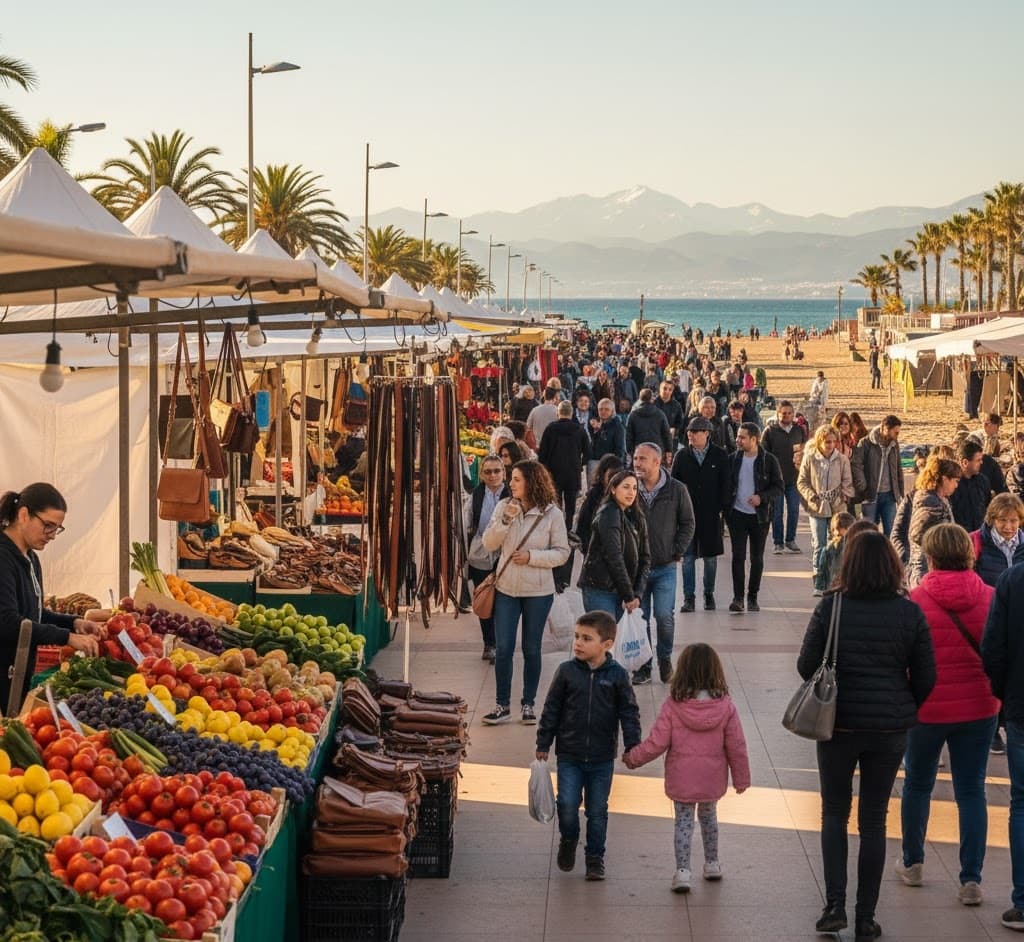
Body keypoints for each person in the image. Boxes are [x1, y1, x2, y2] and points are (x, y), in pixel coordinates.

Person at [798, 529, 936, 942]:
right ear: (891, 567)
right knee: (874, 819)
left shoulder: (831, 607)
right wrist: (902, 701)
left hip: (837, 724)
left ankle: (834, 905)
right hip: (889, 729)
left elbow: (806, 665)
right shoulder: (909, 612)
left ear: (850, 564)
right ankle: (866, 917)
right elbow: (927, 676)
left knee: (834, 812)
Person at [898, 523, 999, 906]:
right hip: (979, 707)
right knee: (971, 790)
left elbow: (905, 660)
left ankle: (913, 862)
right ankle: (971, 878)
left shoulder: (916, 600)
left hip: (926, 709)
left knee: (918, 784)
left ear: (931, 557)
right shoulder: (991, 597)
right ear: (969, 555)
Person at [623, 643, 750, 893]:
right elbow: (737, 745)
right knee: (709, 818)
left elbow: (657, 742)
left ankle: (683, 871)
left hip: (682, 777)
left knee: (683, 822)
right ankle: (712, 863)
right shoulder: (725, 707)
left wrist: (633, 758)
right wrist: (741, 779)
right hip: (711, 777)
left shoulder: (674, 706)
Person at [535, 609, 642, 882]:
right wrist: (544, 741)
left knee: (597, 810)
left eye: (586, 638)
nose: (578, 643)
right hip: (569, 754)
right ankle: (569, 838)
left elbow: (629, 712)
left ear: (607, 644)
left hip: (601, 757)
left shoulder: (618, 676)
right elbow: (551, 708)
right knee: (567, 803)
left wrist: (633, 745)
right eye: (576, 637)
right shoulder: (566, 672)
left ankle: (595, 857)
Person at [481, 461, 570, 726]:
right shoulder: (503, 507)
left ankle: (528, 704)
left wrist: (532, 557)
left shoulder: (552, 514)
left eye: (517, 479)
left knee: (532, 649)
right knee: (504, 648)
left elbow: (562, 553)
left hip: (538, 592)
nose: (511, 483)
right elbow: (488, 543)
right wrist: (505, 521)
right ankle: (502, 705)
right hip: (506, 589)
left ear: (532, 481)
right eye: (512, 479)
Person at [0, 484, 101, 710]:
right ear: (23, 515)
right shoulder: (3, 558)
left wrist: (74, 623)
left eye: (57, 529)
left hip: (18, 671)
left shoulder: (30, 557)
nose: (53, 536)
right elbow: (7, 622)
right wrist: (65, 637)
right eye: (48, 526)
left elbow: (34, 613)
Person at [982, 541, 1024, 930]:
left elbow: (993, 647)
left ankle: (1022, 902)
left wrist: (1004, 696)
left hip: (1020, 706)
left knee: (1022, 802)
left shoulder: (1012, 580)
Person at [631, 443, 695, 686]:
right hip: (637, 568)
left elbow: (688, 523)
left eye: (642, 459)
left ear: (657, 462)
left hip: (664, 566)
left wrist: (677, 550)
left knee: (664, 616)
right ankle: (644, 665)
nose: (637, 463)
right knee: (641, 617)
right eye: (636, 458)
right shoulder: (629, 488)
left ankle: (665, 658)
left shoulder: (676, 489)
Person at [671, 416, 731, 613]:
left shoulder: (719, 455)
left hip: (710, 514)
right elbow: (674, 484)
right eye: (689, 431)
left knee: (710, 558)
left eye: (696, 431)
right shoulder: (682, 456)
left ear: (707, 433)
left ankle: (708, 594)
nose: (691, 435)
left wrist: (721, 508)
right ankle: (689, 598)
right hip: (686, 516)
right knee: (688, 558)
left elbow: (726, 484)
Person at [577, 470, 649, 624]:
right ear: (613, 489)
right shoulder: (609, 514)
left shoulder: (637, 517)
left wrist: (637, 593)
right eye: (626, 487)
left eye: (634, 488)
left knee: (616, 637)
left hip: (621, 590)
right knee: (605, 636)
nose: (631, 492)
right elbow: (614, 557)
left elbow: (645, 558)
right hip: (600, 589)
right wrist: (629, 596)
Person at [726, 423, 783, 614]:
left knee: (756, 558)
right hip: (737, 514)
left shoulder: (769, 460)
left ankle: (752, 596)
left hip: (760, 517)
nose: (738, 440)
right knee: (738, 557)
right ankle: (738, 598)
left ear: (754, 439)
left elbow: (778, 487)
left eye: (742, 437)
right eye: (738, 436)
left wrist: (762, 497)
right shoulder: (733, 459)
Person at [463, 455, 510, 663]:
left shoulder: (512, 496)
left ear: (504, 473)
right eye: (488, 471)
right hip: (480, 556)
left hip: (505, 556)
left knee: (503, 604)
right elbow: (466, 524)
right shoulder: (476, 496)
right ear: (481, 474)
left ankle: (501, 645)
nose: (493, 475)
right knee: (485, 601)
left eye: (497, 471)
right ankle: (489, 644)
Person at [797, 425, 854, 594]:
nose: (830, 445)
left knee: (838, 544)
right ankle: (819, 581)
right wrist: (811, 495)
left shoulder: (842, 460)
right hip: (817, 507)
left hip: (837, 507)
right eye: (827, 442)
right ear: (819, 441)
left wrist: (843, 495)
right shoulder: (810, 458)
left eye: (833, 441)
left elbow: (848, 481)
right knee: (819, 545)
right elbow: (802, 481)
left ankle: (836, 580)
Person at [907, 455, 961, 588]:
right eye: (955, 481)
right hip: (926, 569)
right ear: (944, 479)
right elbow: (917, 534)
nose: (956, 485)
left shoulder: (941, 499)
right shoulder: (930, 501)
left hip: (933, 566)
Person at [538, 400, 591, 530]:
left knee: (555, 502)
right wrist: (580, 463)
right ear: (571, 413)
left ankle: (557, 527)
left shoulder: (550, 429)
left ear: (558, 413)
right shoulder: (579, 430)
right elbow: (588, 452)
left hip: (553, 472)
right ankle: (568, 527)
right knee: (571, 503)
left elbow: (542, 454)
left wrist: (544, 469)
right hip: (573, 471)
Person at [762, 401, 806, 554]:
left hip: (794, 478)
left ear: (793, 414)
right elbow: (764, 455)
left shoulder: (799, 430)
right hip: (776, 480)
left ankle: (790, 540)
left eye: (789, 413)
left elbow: (804, 451)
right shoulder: (770, 431)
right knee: (777, 512)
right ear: (778, 414)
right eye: (783, 413)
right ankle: (778, 542)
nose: (786, 415)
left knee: (794, 511)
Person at [851, 414, 904, 537]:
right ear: (884, 428)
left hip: (889, 495)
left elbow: (898, 468)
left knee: (890, 532)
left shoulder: (894, 444)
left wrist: (900, 493)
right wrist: (862, 485)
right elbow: (856, 464)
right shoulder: (866, 443)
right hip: (870, 495)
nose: (897, 436)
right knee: (869, 532)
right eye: (895, 432)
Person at [574, 456, 624, 553]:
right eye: (611, 475)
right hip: (596, 553)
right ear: (602, 475)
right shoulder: (593, 497)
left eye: (618, 475)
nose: (614, 480)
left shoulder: (626, 496)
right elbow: (582, 526)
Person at [949, 439, 992, 534]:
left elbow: (988, 507)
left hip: (980, 535)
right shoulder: (950, 483)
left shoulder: (983, 481)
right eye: (978, 460)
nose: (981, 463)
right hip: (959, 536)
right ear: (965, 462)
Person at [815, 511, 855, 595]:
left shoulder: (854, 543)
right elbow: (822, 568)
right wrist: (820, 586)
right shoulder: (831, 547)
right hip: (836, 582)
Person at [587, 398, 626, 484]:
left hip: (610, 465)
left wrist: (615, 467)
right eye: (600, 409)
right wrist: (596, 431)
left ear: (612, 411)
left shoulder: (618, 427)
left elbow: (620, 449)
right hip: (594, 463)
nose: (603, 411)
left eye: (606, 409)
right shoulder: (594, 424)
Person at [625, 388, 672, 459]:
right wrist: (669, 450)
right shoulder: (660, 414)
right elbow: (666, 433)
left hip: (639, 450)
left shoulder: (633, 415)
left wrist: (630, 451)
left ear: (640, 399)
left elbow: (628, 435)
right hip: (657, 449)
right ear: (651, 399)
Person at [525, 386, 560, 450]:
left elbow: (528, 427)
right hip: (553, 446)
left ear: (544, 396)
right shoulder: (558, 411)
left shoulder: (534, 410)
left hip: (537, 446)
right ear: (554, 397)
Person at [654, 381, 685, 452]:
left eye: (670, 389)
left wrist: (675, 429)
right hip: (655, 439)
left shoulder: (676, 405)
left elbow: (680, 422)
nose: (667, 391)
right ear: (660, 389)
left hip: (671, 441)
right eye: (665, 388)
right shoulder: (653, 403)